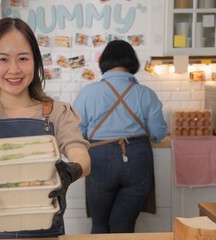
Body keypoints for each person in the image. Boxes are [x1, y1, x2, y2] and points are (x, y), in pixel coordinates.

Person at [0, 17, 91, 239]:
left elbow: (82, 157)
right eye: (3, 59)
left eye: (23, 58)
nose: (14, 69)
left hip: (43, 232)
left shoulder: (58, 112)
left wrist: (70, 171)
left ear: (36, 62)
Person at [73, 40, 167, 234]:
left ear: (104, 63)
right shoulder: (146, 94)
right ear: (132, 62)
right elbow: (158, 134)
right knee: (123, 225)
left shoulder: (88, 93)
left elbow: (76, 133)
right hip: (137, 159)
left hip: (99, 159)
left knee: (100, 225)